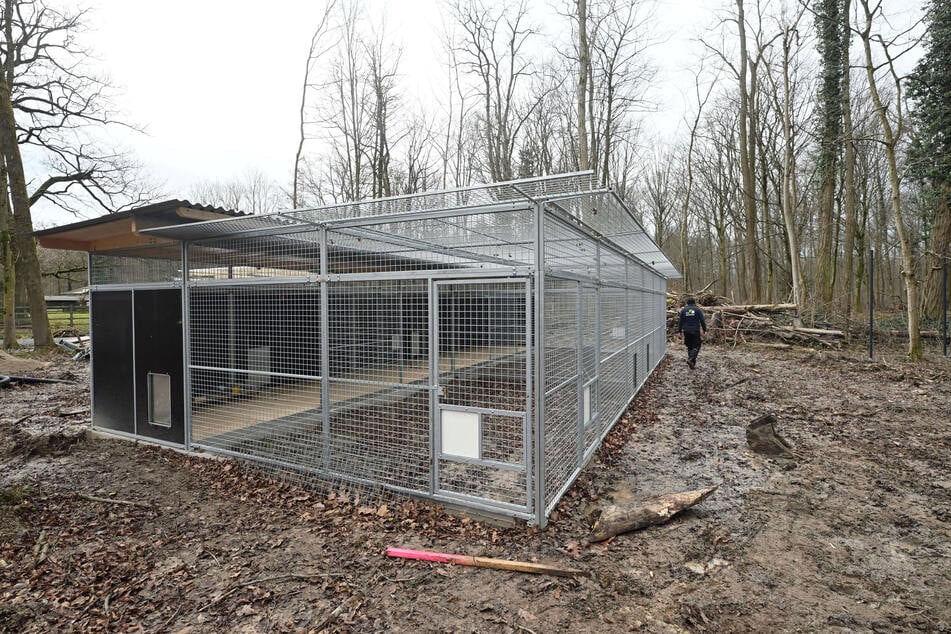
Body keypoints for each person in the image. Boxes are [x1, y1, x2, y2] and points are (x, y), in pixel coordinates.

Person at [677, 297, 707, 369]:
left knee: (689, 346)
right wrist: (704, 330)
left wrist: (679, 331)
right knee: (697, 346)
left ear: (687, 303)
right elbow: (702, 320)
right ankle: (691, 359)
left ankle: (692, 363)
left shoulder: (683, 310)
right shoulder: (697, 310)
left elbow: (680, 322)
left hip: (686, 331)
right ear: (694, 303)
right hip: (695, 331)